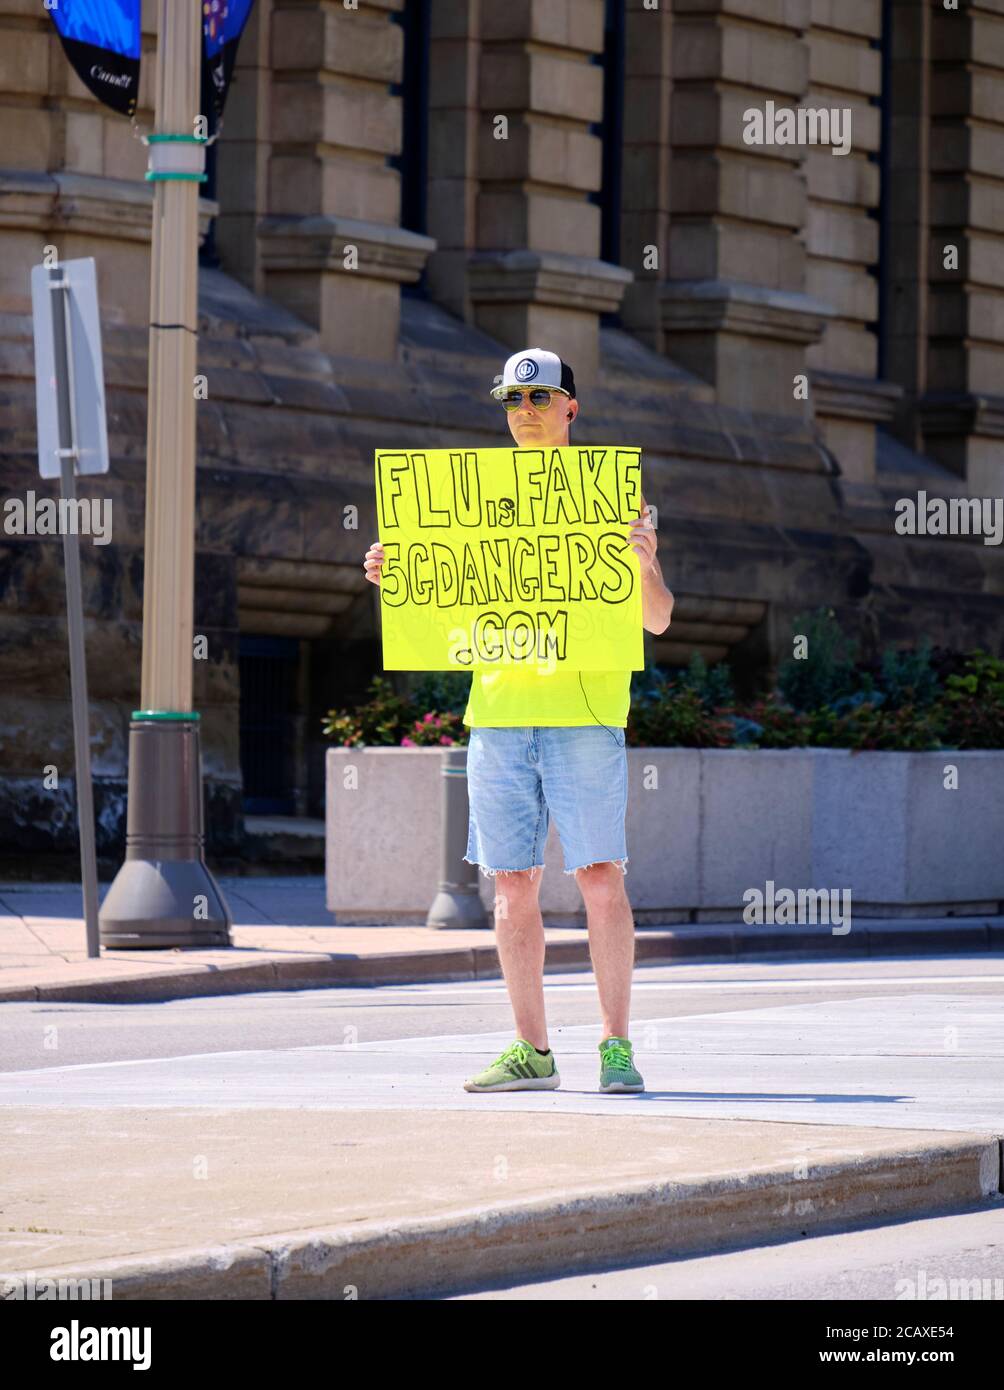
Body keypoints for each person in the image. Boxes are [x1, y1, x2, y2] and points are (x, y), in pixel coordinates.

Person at [363, 347, 674, 1094]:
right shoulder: (470, 500)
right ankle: (532, 1051)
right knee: (510, 885)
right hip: (499, 717)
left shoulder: (612, 497)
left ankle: (616, 1046)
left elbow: (658, 619)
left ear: (571, 408)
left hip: (583, 716)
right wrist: (397, 575)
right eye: (512, 400)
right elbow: (442, 605)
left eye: (539, 398)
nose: (525, 411)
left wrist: (644, 563)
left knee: (600, 879)